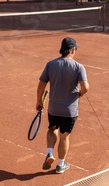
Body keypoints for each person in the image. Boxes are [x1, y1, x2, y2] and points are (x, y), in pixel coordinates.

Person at [37, 37, 89, 174]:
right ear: (72, 49)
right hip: (69, 110)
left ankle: (49, 153)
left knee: (52, 128)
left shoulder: (51, 64)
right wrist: (80, 94)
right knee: (64, 136)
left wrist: (39, 101)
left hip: (53, 108)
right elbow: (85, 87)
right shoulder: (79, 67)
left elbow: (41, 85)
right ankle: (60, 165)